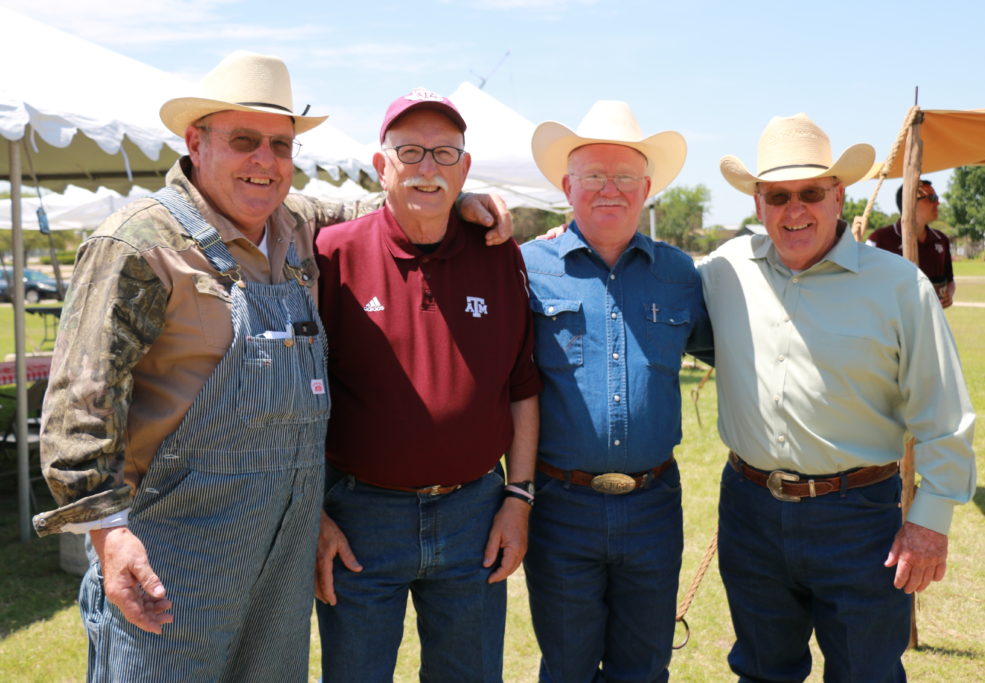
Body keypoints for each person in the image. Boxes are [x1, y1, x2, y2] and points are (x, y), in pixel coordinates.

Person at [31, 54, 510, 682]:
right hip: (173, 552)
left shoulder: (292, 227)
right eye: (244, 141)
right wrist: (109, 539)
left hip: (281, 557)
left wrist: (452, 190)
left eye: (280, 145)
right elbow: (78, 405)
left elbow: (390, 204)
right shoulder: (141, 244)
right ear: (195, 143)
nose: (265, 161)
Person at [702, 113, 976, 682]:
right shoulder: (724, 270)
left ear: (838, 195)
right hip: (750, 512)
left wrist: (931, 521)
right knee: (761, 672)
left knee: (866, 675)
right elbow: (641, 283)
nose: (794, 209)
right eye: (778, 195)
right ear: (758, 202)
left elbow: (943, 414)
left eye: (810, 193)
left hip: (860, 519)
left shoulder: (900, 286)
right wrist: (563, 238)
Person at [313, 89, 542, 683]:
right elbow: (298, 399)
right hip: (362, 514)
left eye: (445, 155)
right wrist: (314, 514)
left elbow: (522, 388)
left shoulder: (499, 253)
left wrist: (518, 498)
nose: (427, 168)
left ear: (466, 169)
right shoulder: (332, 254)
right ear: (379, 164)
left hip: (474, 512)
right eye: (409, 152)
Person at [520, 101, 714, 682]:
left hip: (654, 505)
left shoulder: (681, 274)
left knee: (644, 668)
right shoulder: (523, 267)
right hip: (560, 507)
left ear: (647, 188)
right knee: (568, 668)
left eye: (625, 176)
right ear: (567, 186)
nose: (611, 189)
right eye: (595, 175)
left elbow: (735, 352)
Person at [867, 179, 956, 307]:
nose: (938, 202)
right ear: (909, 203)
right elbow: (867, 284)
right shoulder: (878, 240)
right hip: (893, 324)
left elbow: (949, 281)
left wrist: (949, 294)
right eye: (931, 197)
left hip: (932, 322)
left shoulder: (941, 239)